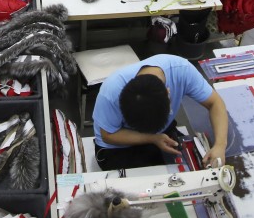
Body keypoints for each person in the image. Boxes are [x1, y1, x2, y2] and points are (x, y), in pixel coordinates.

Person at [92, 54, 228, 171]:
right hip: (117, 147)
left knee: (192, 169)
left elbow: (215, 103)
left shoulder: (182, 71)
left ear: (168, 94)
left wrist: (220, 145)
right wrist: (152, 138)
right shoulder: (111, 92)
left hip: (161, 133)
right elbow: (108, 135)